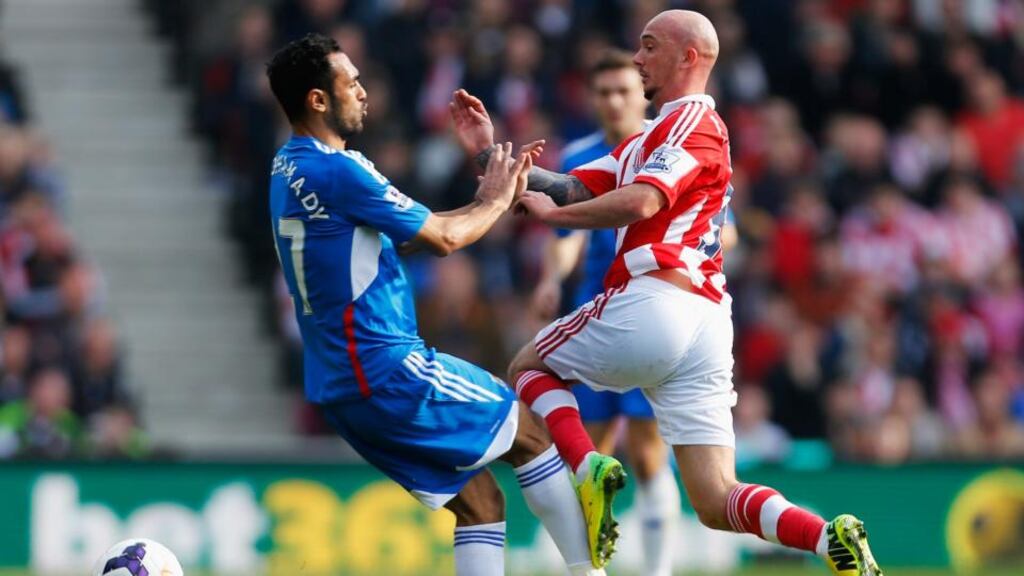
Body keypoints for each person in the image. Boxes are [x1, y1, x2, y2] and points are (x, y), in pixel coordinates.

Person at [451, 10, 884, 576]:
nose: (637, 59)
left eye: (648, 47)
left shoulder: (694, 124)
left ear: (689, 58)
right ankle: (830, 540)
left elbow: (640, 203)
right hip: (703, 323)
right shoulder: (650, 136)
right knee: (714, 497)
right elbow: (571, 182)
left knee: (528, 366)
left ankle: (588, 469)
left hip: (656, 298)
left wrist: (556, 216)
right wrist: (490, 156)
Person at [265, 34, 605, 576]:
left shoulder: (288, 168)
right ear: (318, 100)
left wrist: (487, 185)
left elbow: (411, 235)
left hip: (340, 385)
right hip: (386, 368)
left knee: (478, 505)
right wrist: (495, 199)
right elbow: (443, 239)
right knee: (532, 433)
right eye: (350, 82)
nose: (363, 90)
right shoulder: (339, 170)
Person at [529, 49, 680, 576]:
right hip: (595, 312)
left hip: (651, 313)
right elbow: (566, 234)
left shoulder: (669, 147)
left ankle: (656, 569)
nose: (614, 100)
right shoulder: (582, 156)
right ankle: (588, 565)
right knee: (592, 455)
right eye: (603, 92)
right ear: (592, 99)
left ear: (642, 93)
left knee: (646, 453)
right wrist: (552, 277)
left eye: (623, 89)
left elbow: (716, 226)